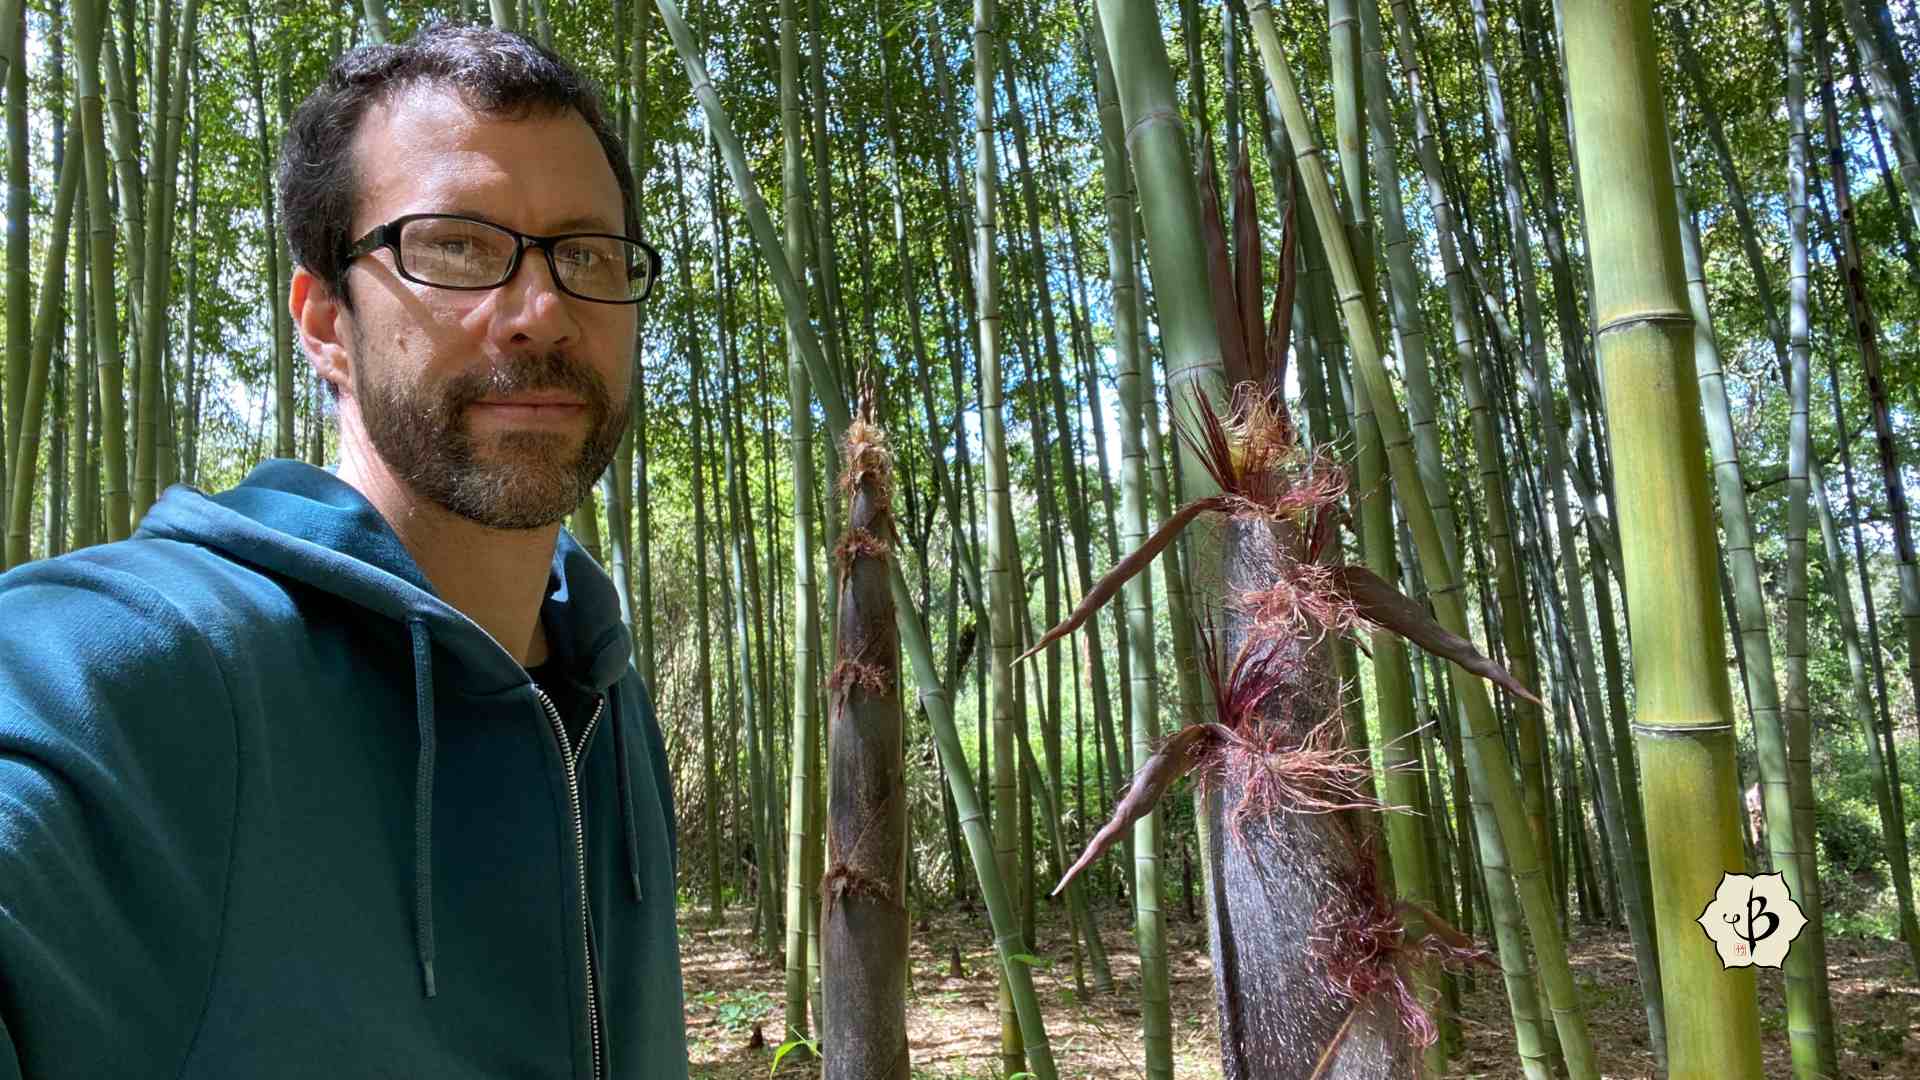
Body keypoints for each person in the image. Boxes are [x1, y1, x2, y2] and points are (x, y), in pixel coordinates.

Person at [0, 23, 688, 1078]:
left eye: (588, 254)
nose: (542, 312)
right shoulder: (149, 664)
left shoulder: (606, 691)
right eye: (457, 246)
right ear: (324, 320)